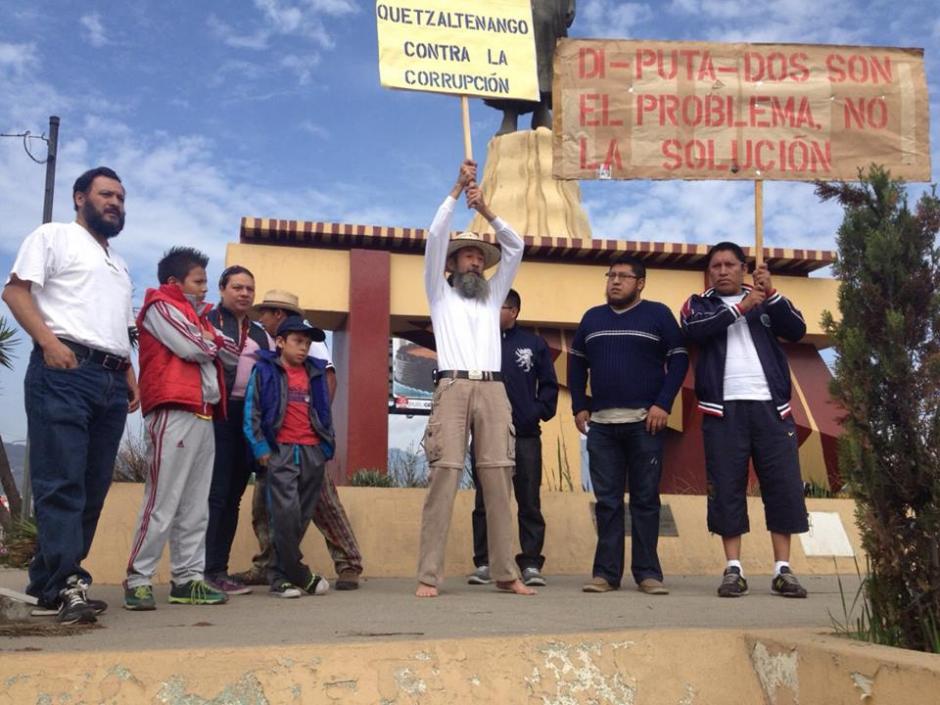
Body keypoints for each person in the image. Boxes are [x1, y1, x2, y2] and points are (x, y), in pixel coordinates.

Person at [3, 166, 139, 624]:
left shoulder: (119, 265)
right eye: (106, 194)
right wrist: (48, 342)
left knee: (93, 487)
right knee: (60, 482)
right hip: (64, 370)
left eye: (120, 197)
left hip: (111, 380)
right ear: (79, 197)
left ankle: (48, 584)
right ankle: (68, 583)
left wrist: (129, 373)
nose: (115, 203)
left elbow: (119, 327)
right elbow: (15, 291)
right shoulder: (53, 236)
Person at [416, 159, 532, 598]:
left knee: (500, 476)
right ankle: (429, 576)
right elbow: (432, 237)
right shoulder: (438, 292)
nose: (473, 262)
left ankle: (506, 572)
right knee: (444, 474)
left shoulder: (493, 296)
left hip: (494, 388)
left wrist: (485, 210)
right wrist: (455, 188)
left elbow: (516, 245)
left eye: (478, 257)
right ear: (452, 264)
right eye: (466, 256)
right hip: (452, 386)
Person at [680, 242, 810, 598]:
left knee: (782, 485)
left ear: (743, 268)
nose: (721, 271)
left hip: (771, 408)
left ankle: (783, 569)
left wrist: (770, 293)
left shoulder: (764, 299)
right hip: (723, 409)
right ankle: (733, 568)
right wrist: (740, 308)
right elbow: (694, 330)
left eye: (729, 265)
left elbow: (796, 329)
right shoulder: (698, 304)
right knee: (726, 486)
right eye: (715, 266)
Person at [569, 255, 688, 595]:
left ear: (641, 283)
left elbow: (679, 358)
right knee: (607, 502)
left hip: (644, 423)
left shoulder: (658, 315)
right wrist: (580, 405)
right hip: (602, 426)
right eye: (611, 275)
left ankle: (648, 573)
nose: (615, 281)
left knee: (645, 499)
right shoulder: (592, 318)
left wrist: (663, 403)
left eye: (623, 276)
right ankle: (606, 574)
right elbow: (577, 365)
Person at [231, 289, 364, 591]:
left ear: (280, 315)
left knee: (323, 505)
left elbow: (328, 379)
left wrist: (319, 434)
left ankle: (348, 563)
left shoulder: (305, 342)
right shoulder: (272, 347)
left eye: (265, 313)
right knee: (267, 509)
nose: (261, 318)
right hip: (279, 445)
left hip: (308, 446)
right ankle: (271, 566)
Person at [123, 247, 231, 610]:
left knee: (195, 506)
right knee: (162, 500)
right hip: (173, 410)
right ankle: (138, 579)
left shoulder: (195, 316)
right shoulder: (158, 307)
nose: (205, 289)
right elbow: (192, 347)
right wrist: (212, 342)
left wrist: (211, 342)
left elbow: (223, 350)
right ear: (174, 282)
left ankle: (187, 579)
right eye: (198, 281)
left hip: (203, 411)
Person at [468, 288, 558, 587]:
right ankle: (484, 562)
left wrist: (536, 412)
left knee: (528, 500)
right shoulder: (477, 342)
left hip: (526, 436)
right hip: (485, 435)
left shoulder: (534, 344)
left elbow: (548, 386)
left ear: (514, 311)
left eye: (499, 306)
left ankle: (531, 563)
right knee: (485, 501)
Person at [243, 316, 334, 598]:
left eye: (307, 343)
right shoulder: (265, 370)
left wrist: (325, 448)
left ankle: (282, 575)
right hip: (280, 451)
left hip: (312, 452)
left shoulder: (315, 372)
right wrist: (261, 449)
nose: (304, 348)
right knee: (284, 515)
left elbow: (324, 412)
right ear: (280, 342)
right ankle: (293, 574)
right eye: (298, 341)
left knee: (301, 516)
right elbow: (251, 412)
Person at [202, 266, 269, 595]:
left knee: (233, 498)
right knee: (214, 495)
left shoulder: (260, 334)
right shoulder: (207, 321)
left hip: (248, 419)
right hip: (214, 413)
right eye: (237, 287)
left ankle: (218, 570)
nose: (244, 293)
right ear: (222, 289)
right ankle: (201, 571)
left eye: (249, 289)